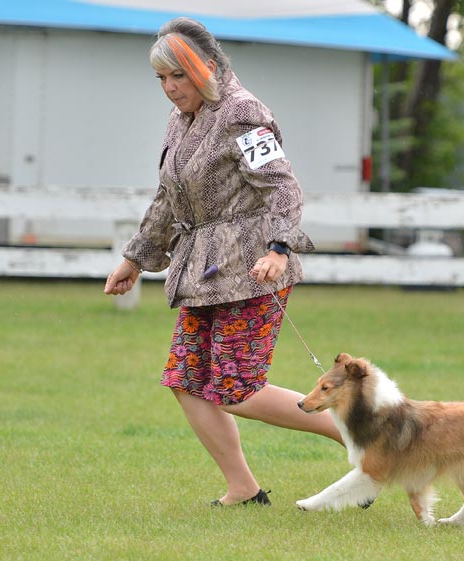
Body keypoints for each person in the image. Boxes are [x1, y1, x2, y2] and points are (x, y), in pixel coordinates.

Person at [104, 16, 342, 507]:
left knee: (237, 389)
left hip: (253, 270)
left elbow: (283, 187)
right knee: (186, 382)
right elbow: (169, 199)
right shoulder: (181, 119)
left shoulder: (242, 113)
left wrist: (279, 249)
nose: (170, 88)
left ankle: (354, 434)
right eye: (161, 78)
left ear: (207, 67)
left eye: (179, 76)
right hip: (203, 273)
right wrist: (136, 258)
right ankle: (244, 488)